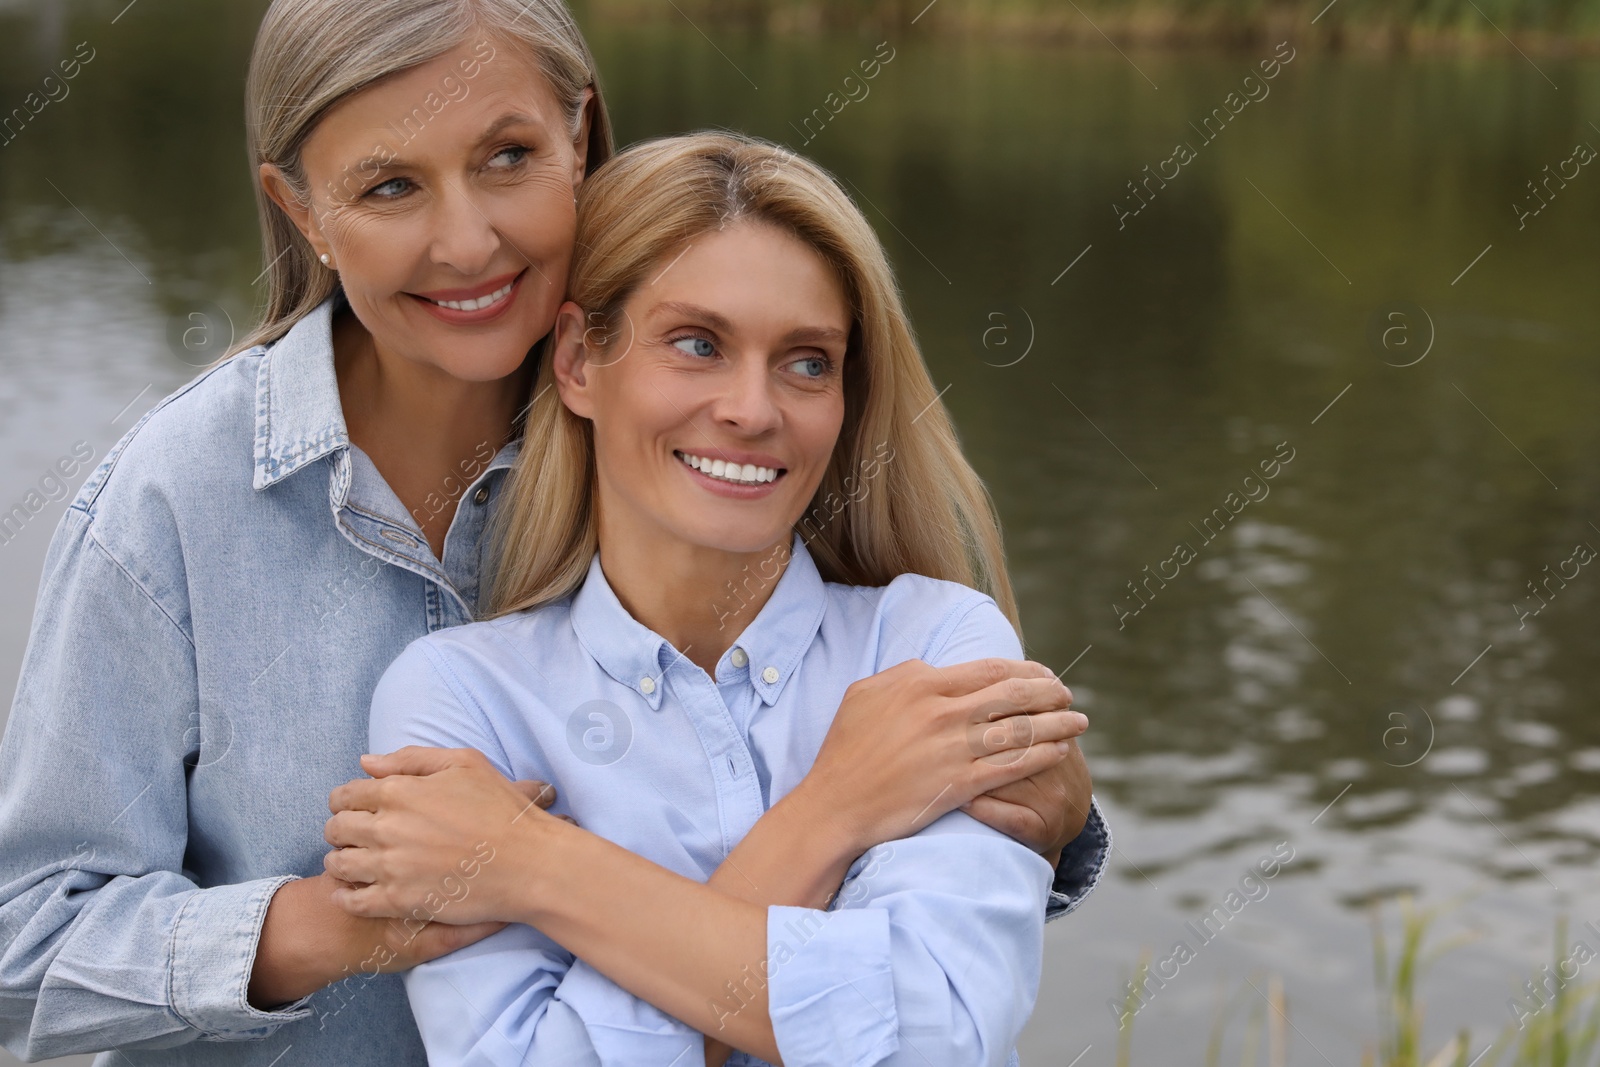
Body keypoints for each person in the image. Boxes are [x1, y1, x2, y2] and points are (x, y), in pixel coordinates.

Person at [0, 2, 1106, 1064]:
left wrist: (1038, 813)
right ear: (302, 212)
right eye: (389, 186)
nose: (467, 238)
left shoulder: (694, 427)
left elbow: (904, 801)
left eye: (508, 158)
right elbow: (20, 950)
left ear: (580, 135)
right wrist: (340, 923)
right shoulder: (172, 502)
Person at [335, 131, 1103, 1067]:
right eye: (697, 344)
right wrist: (834, 813)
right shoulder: (461, 700)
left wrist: (534, 864)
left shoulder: (938, 645)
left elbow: (938, 1035)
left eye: (807, 360)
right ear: (578, 360)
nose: (753, 408)